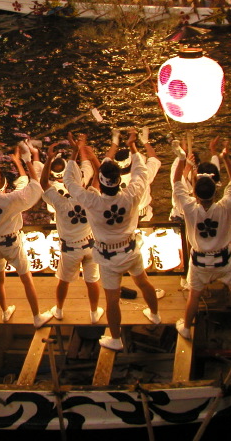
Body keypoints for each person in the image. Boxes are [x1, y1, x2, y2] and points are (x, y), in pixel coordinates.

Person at [64, 130, 161, 351]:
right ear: (119, 181)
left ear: (101, 181)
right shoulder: (131, 194)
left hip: (107, 258)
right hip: (130, 250)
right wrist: (133, 146)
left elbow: (69, 182)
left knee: (112, 299)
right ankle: (155, 315)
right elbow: (140, 173)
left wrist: (74, 151)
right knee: (144, 283)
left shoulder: (92, 200)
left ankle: (116, 339)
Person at [172, 139, 231, 339]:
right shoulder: (225, 206)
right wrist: (226, 159)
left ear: (194, 192)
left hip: (199, 261)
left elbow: (177, 183)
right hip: (225, 259)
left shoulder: (188, 207)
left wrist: (182, 160)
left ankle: (187, 328)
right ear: (216, 191)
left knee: (194, 296)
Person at [0, 147, 53, 327]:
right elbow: (35, 187)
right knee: (26, 278)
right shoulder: (10, 200)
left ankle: (5, 311)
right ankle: (37, 316)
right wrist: (28, 160)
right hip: (11, 243)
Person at [39, 141, 103, 324]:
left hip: (70, 249)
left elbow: (43, 183)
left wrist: (49, 158)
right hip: (91, 244)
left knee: (63, 281)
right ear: (80, 180)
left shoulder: (60, 203)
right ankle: (93, 312)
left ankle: (59, 310)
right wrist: (87, 154)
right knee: (92, 281)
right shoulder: (90, 196)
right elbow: (98, 174)